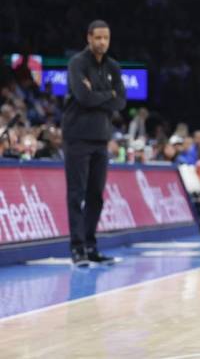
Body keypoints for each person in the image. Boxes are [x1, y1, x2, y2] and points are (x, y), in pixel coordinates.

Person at [62, 19, 126, 267]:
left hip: (101, 138)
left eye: (106, 38)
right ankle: (77, 249)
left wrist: (103, 95)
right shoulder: (77, 63)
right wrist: (107, 94)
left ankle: (90, 246)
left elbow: (121, 102)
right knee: (76, 194)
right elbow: (83, 97)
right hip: (77, 137)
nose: (102, 42)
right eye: (98, 37)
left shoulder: (113, 66)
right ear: (89, 37)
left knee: (96, 196)